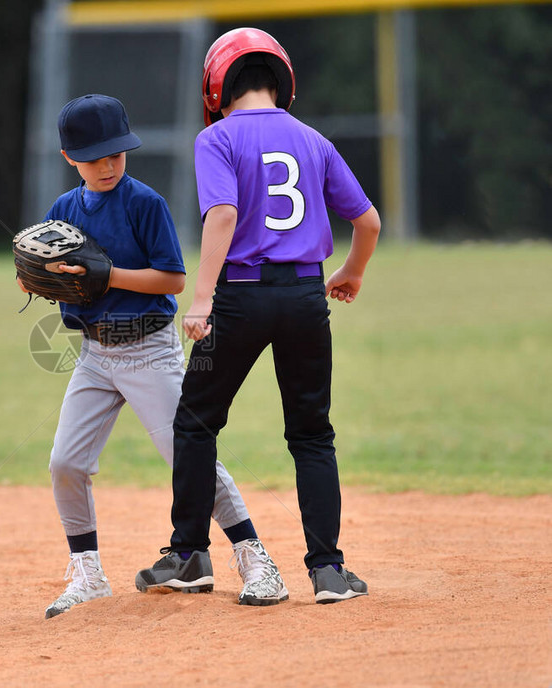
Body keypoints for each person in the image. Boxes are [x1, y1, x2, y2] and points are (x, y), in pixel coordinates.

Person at [135, 28, 381, 604]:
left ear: (216, 85)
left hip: (240, 299)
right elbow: (366, 222)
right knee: (312, 435)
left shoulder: (217, 138)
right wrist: (352, 272)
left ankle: (191, 554)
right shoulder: (313, 140)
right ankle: (328, 572)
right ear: (282, 82)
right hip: (304, 300)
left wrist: (201, 299)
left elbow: (222, 214)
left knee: (195, 423)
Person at [29, 93, 289, 619]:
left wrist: (109, 276)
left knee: (188, 459)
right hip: (94, 356)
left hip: (149, 349)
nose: (107, 165)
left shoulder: (143, 203)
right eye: (95, 156)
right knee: (64, 462)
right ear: (68, 158)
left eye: (116, 153)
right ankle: (88, 573)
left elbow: (172, 278)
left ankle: (255, 558)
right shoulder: (63, 210)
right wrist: (34, 279)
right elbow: (53, 275)